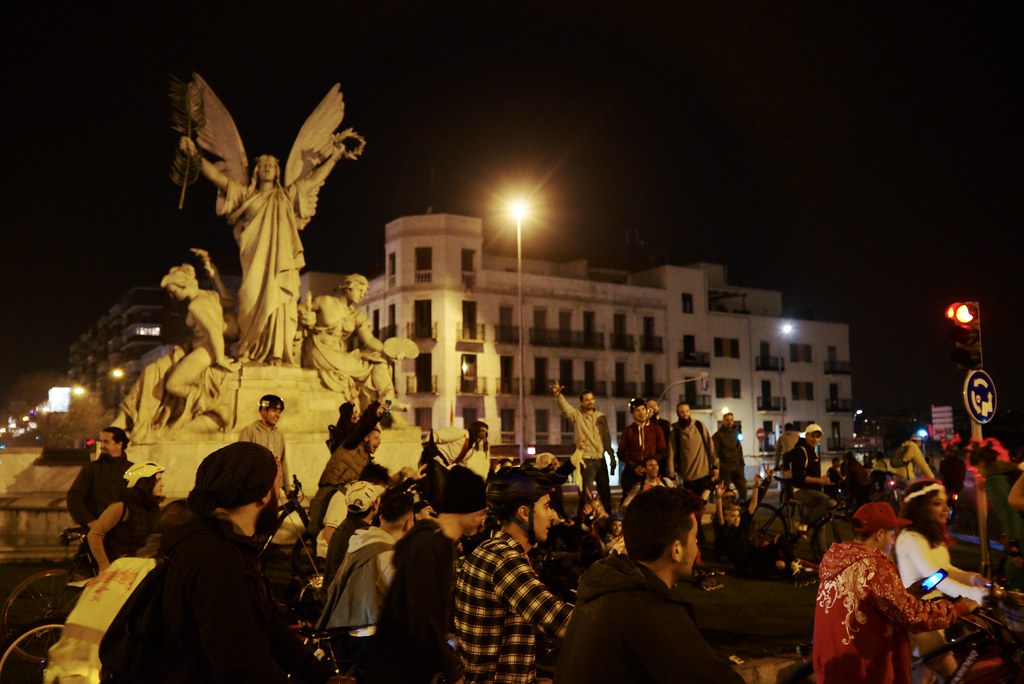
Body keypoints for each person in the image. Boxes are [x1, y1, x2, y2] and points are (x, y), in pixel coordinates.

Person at [179, 87, 361, 366]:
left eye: (270, 165)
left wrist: (334, 157)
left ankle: (278, 353)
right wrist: (194, 156)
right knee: (250, 301)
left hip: (282, 265)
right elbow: (216, 176)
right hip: (254, 264)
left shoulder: (286, 196)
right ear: (255, 171)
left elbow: (312, 180)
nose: (266, 167)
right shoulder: (245, 196)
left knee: (281, 304)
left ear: (277, 171)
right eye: (261, 164)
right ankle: (249, 351)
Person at [150, 441, 344, 682]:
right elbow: (241, 665)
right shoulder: (215, 557)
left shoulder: (233, 548)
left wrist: (323, 677)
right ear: (263, 495)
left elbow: (270, 626)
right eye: (277, 486)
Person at [555, 486, 745, 683]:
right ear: (677, 550)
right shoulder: (650, 611)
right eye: (694, 537)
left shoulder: (603, 584)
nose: (697, 544)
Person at [813, 502, 977, 684]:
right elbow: (913, 616)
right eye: (892, 534)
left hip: (831, 662)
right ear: (880, 534)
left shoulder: (839, 560)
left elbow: (869, 602)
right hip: (863, 670)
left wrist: (907, 594)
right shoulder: (875, 565)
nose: (893, 541)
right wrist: (961, 608)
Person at [365, 466, 488, 684]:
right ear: (468, 510)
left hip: (403, 666)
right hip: (399, 670)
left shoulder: (434, 541)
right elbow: (421, 617)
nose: (483, 520)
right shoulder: (431, 546)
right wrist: (452, 671)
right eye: (481, 513)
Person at [454, 466, 573, 684]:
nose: (552, 516)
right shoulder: (505, 561)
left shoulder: (487, 550)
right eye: (546, 507)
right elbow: (562, 623)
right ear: (524, 512)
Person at [893, 479, 989, 682]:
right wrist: (974, 596)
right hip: (919, 618)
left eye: (945, 502)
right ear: (920, 507)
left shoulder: (930, 536)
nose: (946, 508)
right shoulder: (911, 538)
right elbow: (935, 578)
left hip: (935, 614)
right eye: (937, 503)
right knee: (954, 676)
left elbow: (945, 571)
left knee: (924, 679)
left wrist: (974, 579)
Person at [316, 488, 415, 676]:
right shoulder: (386, 555)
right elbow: (403, 601)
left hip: (345, 629)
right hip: (369, 637)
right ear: (409, 522)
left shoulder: (360, 540)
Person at [299, 274, 403, 404]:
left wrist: (388, 351)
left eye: (364, 292)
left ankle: (389, 407)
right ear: (349, 287)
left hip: (339, 353)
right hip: (320, 349)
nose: (363, 295)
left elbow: (369, 340)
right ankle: (388, 406)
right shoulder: (325, 301)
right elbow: (298, 312)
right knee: (370, 366)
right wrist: (305, 318)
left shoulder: (356, 315)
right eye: (360, 290)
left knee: (380, 363)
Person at [712, 474, 811, 585]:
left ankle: (795, 567)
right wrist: (719, 498)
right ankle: (793, 573)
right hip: (748, 566)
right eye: (733, 516)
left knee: (780, 538)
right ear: (727, 519)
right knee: (780, 564)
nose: (736, 519)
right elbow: (720, 517)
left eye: (738, 516)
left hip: (755, 555)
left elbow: (752, 507)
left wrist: (755, 488)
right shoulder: (726, 530)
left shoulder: (742, 524)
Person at [307, 400, 387, 537]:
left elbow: (380, 478)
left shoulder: (367, 458)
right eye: (376, 438)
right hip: (331, 486)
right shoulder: (352, 444)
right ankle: (318, 554)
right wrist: (376, 413)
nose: (379, 441)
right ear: (366, 438)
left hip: (344, 492)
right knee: (315, 527)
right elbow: (363, 426)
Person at [159, 263, 236, 400]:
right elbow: (231, 303)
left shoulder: (196, 305)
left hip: (206, 350)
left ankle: (212, 407)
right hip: (207, 348)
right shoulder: (211, 295)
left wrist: (220, 359)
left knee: (173, 385)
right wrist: (217, 279)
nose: (172, 296)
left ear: (183, 284)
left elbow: (214, 330)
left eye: (173, 291)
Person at [87, 462, 165, 573]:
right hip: (119, 571)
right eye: (157, 480)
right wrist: (104, 566)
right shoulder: (121, 507)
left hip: (140, 569)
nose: (162, 484)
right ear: (144, 483)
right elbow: (94, 535)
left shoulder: (152, 509)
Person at [966, 439, 1024, 590]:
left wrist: (1014, 545)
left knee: (1015, 575)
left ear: (983, 463)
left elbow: (1009, 512)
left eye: (977, 467)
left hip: (1021, 535)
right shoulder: (1007, 471)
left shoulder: (994, 480)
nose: (977, 471)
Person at [552, 383, 615, 516]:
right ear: (581, 402)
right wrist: (558, 395)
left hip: (601, 459)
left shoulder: (600, 416)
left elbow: (607, 438)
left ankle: (609, 524)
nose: (590, 402)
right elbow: (566, 409)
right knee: (585, 495)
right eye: (587, 399)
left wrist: (611, 458)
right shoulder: (578, 416)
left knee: (605, 494)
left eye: (592, 399)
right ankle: (581, 525)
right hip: (587, 460)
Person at [67, 427, 134, 529]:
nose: (102, 446)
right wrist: (89, 521)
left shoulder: (133, 470)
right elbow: (74, 496)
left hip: (124, 532)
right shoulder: (92, 468)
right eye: (101, 441)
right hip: (96, 530)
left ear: (119, 444)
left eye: (106, 442)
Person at [323, 480, 386, 587]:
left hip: (332, 595)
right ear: (374, 505)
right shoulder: (364, 536)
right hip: (344, 598)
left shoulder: (344, 527)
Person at [783, 423, 836, 534]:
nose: (815, 439)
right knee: (830, 503)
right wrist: (820, 481)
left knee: (821, 522)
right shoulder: (800, 451)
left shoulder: (814, 453)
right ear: (806, 435)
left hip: (813, 490)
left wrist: (822, 479)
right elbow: (800, 478)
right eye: (812, 436)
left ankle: (820, 550)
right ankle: (802, 523)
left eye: (817, 437)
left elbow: (813, 475)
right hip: (800, 490)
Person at [617, 397, 666, 507]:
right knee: (629, 503)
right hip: (633, 473)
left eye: (643, 409)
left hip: (651, 473)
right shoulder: (629, 431)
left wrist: (650, 464)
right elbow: (621, 453)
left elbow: (662, 451)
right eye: (637, 410)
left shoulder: (656, 429)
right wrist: (634, 466)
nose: (641, 413)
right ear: (632, 414)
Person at [239, 395, 290, 498]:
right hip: (255, 490)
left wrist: (287, 488)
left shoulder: (279, 435)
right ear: (263, 411)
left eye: (279, 411)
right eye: (274, 410)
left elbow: (283, 462)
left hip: (274, 490)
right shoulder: (250, 431)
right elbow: (242, 461)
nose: (277, 415)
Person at [712, 412, 746, 502]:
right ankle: (724, 511)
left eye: (731, 420)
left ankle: (741, 511)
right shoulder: (718, 435)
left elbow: (739, 449)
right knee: (725, 493)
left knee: (743, 491)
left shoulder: (736, 433)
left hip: (738, 467)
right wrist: (717, 466)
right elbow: (714, 452)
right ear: (723, 421)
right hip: (725, 468)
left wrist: (741, 464)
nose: (730, 422)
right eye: (727, 420)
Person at [646, 397, 672, 473]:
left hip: (662, 460)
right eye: (649, 406)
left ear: (658, 407)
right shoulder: (644, 424)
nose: (652, 408)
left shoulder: (664, 424)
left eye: (654, 405)